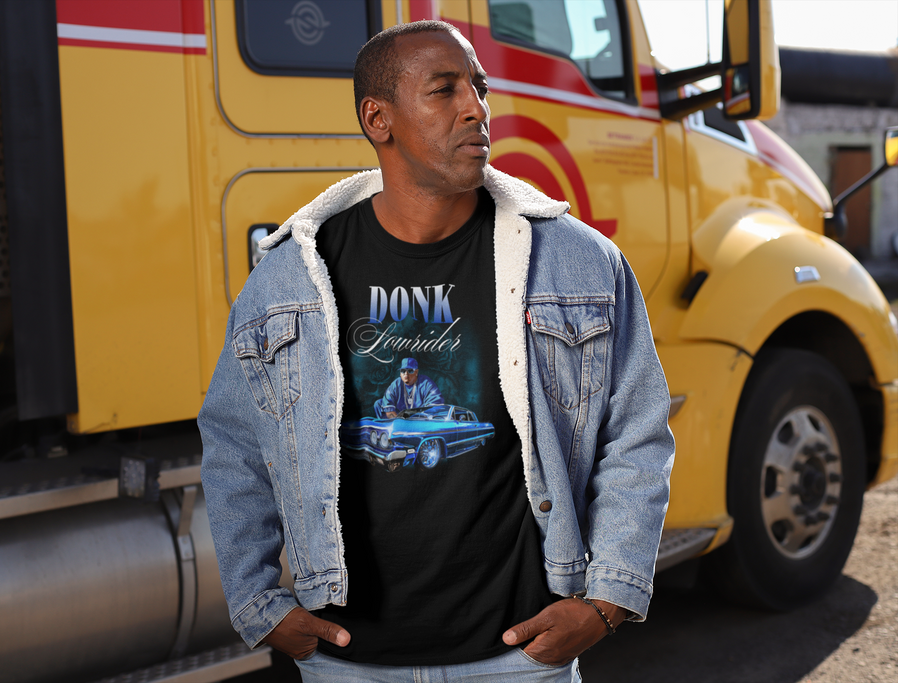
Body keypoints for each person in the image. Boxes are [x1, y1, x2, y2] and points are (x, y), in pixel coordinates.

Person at [199, 20, 674, 682]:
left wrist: (607, 601)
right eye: (444, 90)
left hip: (518, 657)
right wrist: (259, 602)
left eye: (479, 88)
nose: (476, 108)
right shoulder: (292, 273)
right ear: (379, 118)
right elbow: (234, 445)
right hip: (349, 661)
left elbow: (638, 432)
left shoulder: (575, 259)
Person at [373, 357, 444, 418]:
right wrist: (399, 421)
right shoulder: (396, 384)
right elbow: (388, 405)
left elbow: (436, 402)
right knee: (379, 403)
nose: (406, 374)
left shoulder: (426, 383)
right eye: (403, 371)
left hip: (420, 416)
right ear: (400, 374)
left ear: (416, 372)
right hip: (399, 418)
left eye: (410, 371)